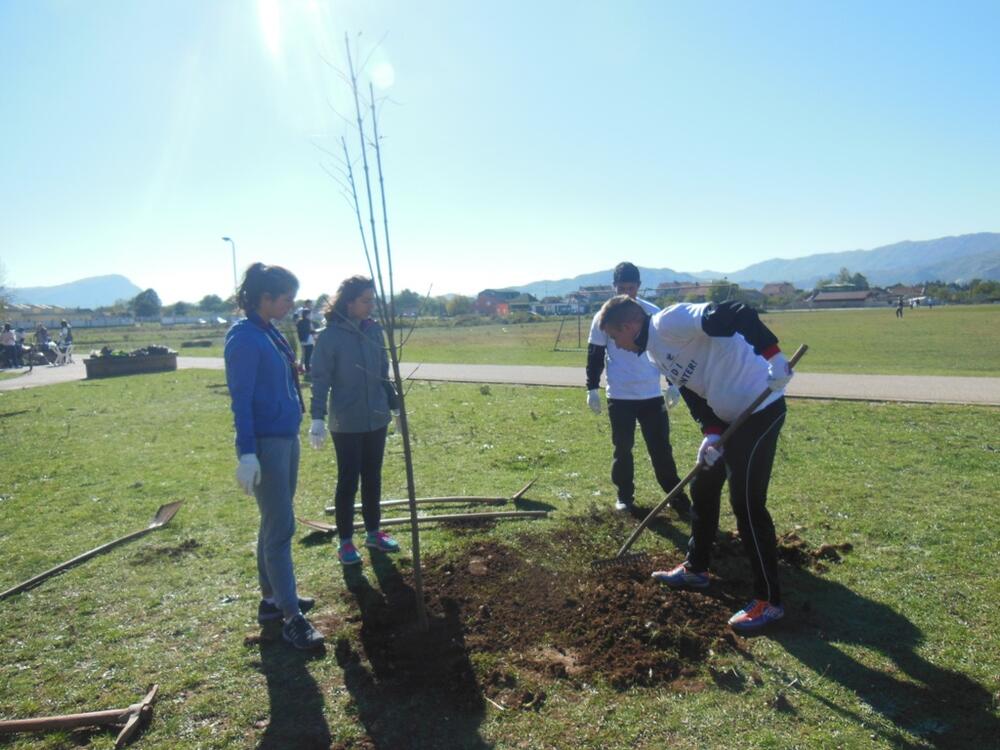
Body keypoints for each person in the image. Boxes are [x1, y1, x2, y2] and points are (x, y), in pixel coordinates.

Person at [597, 295, 794, 633]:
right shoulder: (655, 353)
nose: (617, 345)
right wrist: (712, 432)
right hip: (728, 421)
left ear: (630, 326)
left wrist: (773, 357)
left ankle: (769, 602)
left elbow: (737, 311)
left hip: (761, 408)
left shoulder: (670, 322)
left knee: (746, 502)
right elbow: (694, 393)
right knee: (702, 485)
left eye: (615, 338)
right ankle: (696, 569)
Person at [224, 262, 324, 651]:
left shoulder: (268, 332)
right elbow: (241, 400)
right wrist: (248, 453)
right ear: (265, 298)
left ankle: (271, 601)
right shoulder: (244, 338)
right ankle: (291, 618)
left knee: (272, 522)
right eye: (286, 298)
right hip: (266, 443)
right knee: (281, 528)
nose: (291, 305)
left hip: (286, 436)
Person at [308, 275, 401, 566]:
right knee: (348, 480)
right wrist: (317, 418)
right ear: (349, 302)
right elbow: (320, 379)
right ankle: (346, 542)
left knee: (373, 477)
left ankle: (374, 533)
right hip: (346, 421)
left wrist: (395, 406)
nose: (371, 305)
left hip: (376, 416)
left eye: (373, 300)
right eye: (366, 300)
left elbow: (382, 373)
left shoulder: (374, 332)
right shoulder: (330, 336)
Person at [586, 262, 688, 515]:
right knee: (622, 448)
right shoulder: (604, 317)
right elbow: (595, 354)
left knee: (661, 449)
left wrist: (674, 384)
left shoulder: (651, 314)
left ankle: (676, 498)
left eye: (630, 288)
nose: (625, 293)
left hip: (651, 395)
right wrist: (592, 388)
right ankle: (624, 496)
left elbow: (670, 351)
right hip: (620, 396)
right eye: (620, 288)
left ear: (639, 287)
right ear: (613, 287)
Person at [295, 307, 316, 375]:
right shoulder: (308, 322)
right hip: (309, 341)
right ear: (307, 314)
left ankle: (305, 369)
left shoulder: (299, 322)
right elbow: (312, 331)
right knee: (308, 356)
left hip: (302, 341)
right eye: (310, 314)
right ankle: (308, 370)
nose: (311, 315)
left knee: (305, 355)